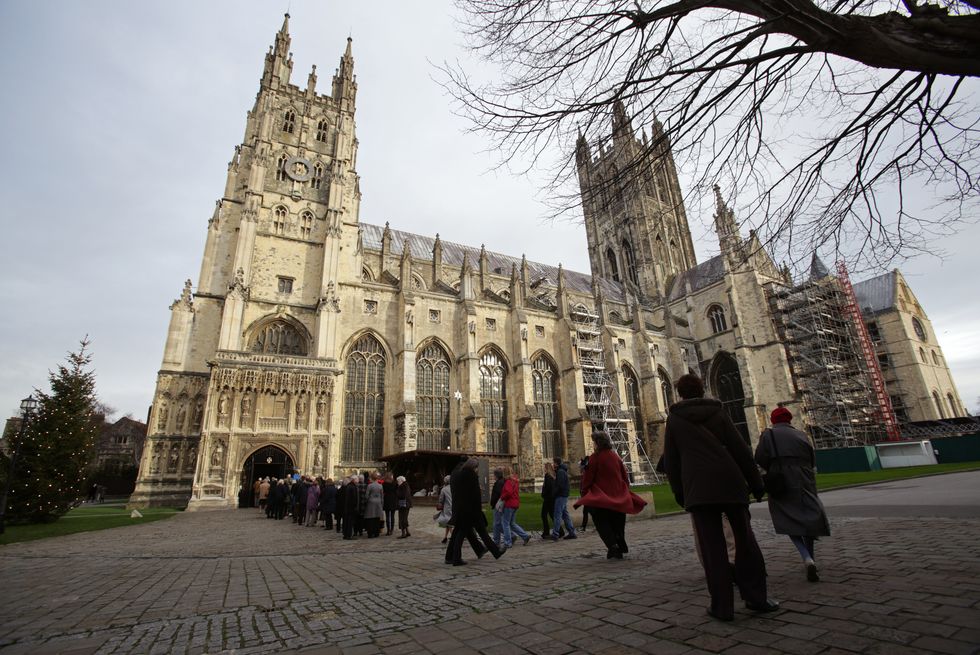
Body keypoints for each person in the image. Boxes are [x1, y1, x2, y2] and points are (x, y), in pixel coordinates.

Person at [664, 373, 779, 621]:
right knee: (746, 542)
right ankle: (757, 598)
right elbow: (740, 449)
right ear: (702, 389)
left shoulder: (674, 419)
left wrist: (680, 492)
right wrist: (756, 482)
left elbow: (672, 462)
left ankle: (722, 607)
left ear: (680, 393)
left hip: (699, 489)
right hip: (730, 482)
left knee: (713, 549)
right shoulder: (717, 411)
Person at [755, 407, 831, 583]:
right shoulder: (801, 435)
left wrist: (773, 465)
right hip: (804, 479)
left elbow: (759, 457)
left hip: (781, 479)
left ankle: (806, 557)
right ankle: (811, 557)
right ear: (789, 419)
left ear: (773, 420)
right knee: (810, 517)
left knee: (787, 518)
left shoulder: (768, 435)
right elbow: (812, 459)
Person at [574, 430, 647, 559]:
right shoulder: (615, 456)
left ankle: (613, 546)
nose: (593, 446)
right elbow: (625, 477)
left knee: (602, 523)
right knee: (617, 522)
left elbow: (588, 479)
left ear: (598, 443)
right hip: (619, 496)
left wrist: (585, 493)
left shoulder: (595, 458)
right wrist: (623, 490)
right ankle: (619, 542)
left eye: (594, 443)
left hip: (602, 498)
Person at [445, 458, 504, 565]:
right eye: (476, 468)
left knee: (461, 533)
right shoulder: (469, 475)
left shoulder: (456, 474)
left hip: (460, 509)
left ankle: (451, 557)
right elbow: (475, 496)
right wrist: (479, 509)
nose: (477, 470)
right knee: (466, 533)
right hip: (470, 511)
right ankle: (456, 558)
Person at [500, 467, 531, 549]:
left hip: (509, 504)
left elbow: (508, 493)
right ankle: (525, 536)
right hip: (515, 504)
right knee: (512, 523)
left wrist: (502, 497)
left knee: (505, 523)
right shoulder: (515, 481)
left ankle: (507, 542)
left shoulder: (508, 481)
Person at [550, 458, 577, 541]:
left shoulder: (560, 472)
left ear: (556, 463)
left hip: (561, 495)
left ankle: (555, 534)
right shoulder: (561, 471)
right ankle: (571, 532)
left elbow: (560, 485)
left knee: (557, 515)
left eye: (553, 463)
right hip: (563, 495)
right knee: (565, 515)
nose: (552, 464)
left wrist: (554, 493)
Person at [540, 462, 563, 539]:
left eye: (544, 467)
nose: (544, 469)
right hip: (551, 498)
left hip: (548, 499)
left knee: (543, 515)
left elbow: (548, 487)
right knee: (552, 515)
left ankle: (546, 532)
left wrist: (544, 494)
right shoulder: (553, 475)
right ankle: (560, 531)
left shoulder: (548, 476)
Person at [364, 472, 384, 538]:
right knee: (377, 518)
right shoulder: (380, 485)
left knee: (370, 518)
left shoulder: (370, 485)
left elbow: (367, 495)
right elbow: (382, 496)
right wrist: (381, 504)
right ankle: (376, 533)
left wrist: (367, 501)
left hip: (371, 502)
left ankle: (370, 533)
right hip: (378, 502)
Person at [489, 468, 506, 546]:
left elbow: (497, 495)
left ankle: (496, 540)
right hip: (499, 504)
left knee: (496, 523)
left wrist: (493, 503)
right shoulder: (501, 481)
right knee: (498, 523)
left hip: (498, 505)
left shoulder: (499, 483)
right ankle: (510, 535)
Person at [435, 474, 453, 544]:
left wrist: (440, 504)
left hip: (447, 508)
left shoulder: (444, 489)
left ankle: (453, 537)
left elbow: (441, 499)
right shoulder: (454, 487)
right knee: (448, 522)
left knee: (449, 522)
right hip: (454, 507)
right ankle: (445, 537)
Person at [342, 474, 361, 540]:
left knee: (347, 521)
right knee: (350, 522)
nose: (358, 480)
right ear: (354, 480)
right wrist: (355, 507)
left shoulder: (348, 486)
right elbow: (354, 498)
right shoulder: (353, 487)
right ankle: (349, 535)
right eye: (357, 479)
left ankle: (346, 534)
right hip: (351, 508)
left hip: (348, 507)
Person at [382, 472, 398, 536]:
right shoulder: (394, 483)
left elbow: (383, 492)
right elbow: (397, 491)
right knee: (392, 516)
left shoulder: (384, 484)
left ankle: (388, 530)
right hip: (393, 500)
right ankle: (391, 530)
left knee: (387, 516)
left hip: (387, 500)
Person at [578, 457, 591, 532]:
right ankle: (583, 526)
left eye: (580, 468)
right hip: (585, 495)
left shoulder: (586, 474)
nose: (580, 469)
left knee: (587, 511)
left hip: (587, 496)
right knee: (587, 511)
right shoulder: (584, 474)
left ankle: (583, 527)